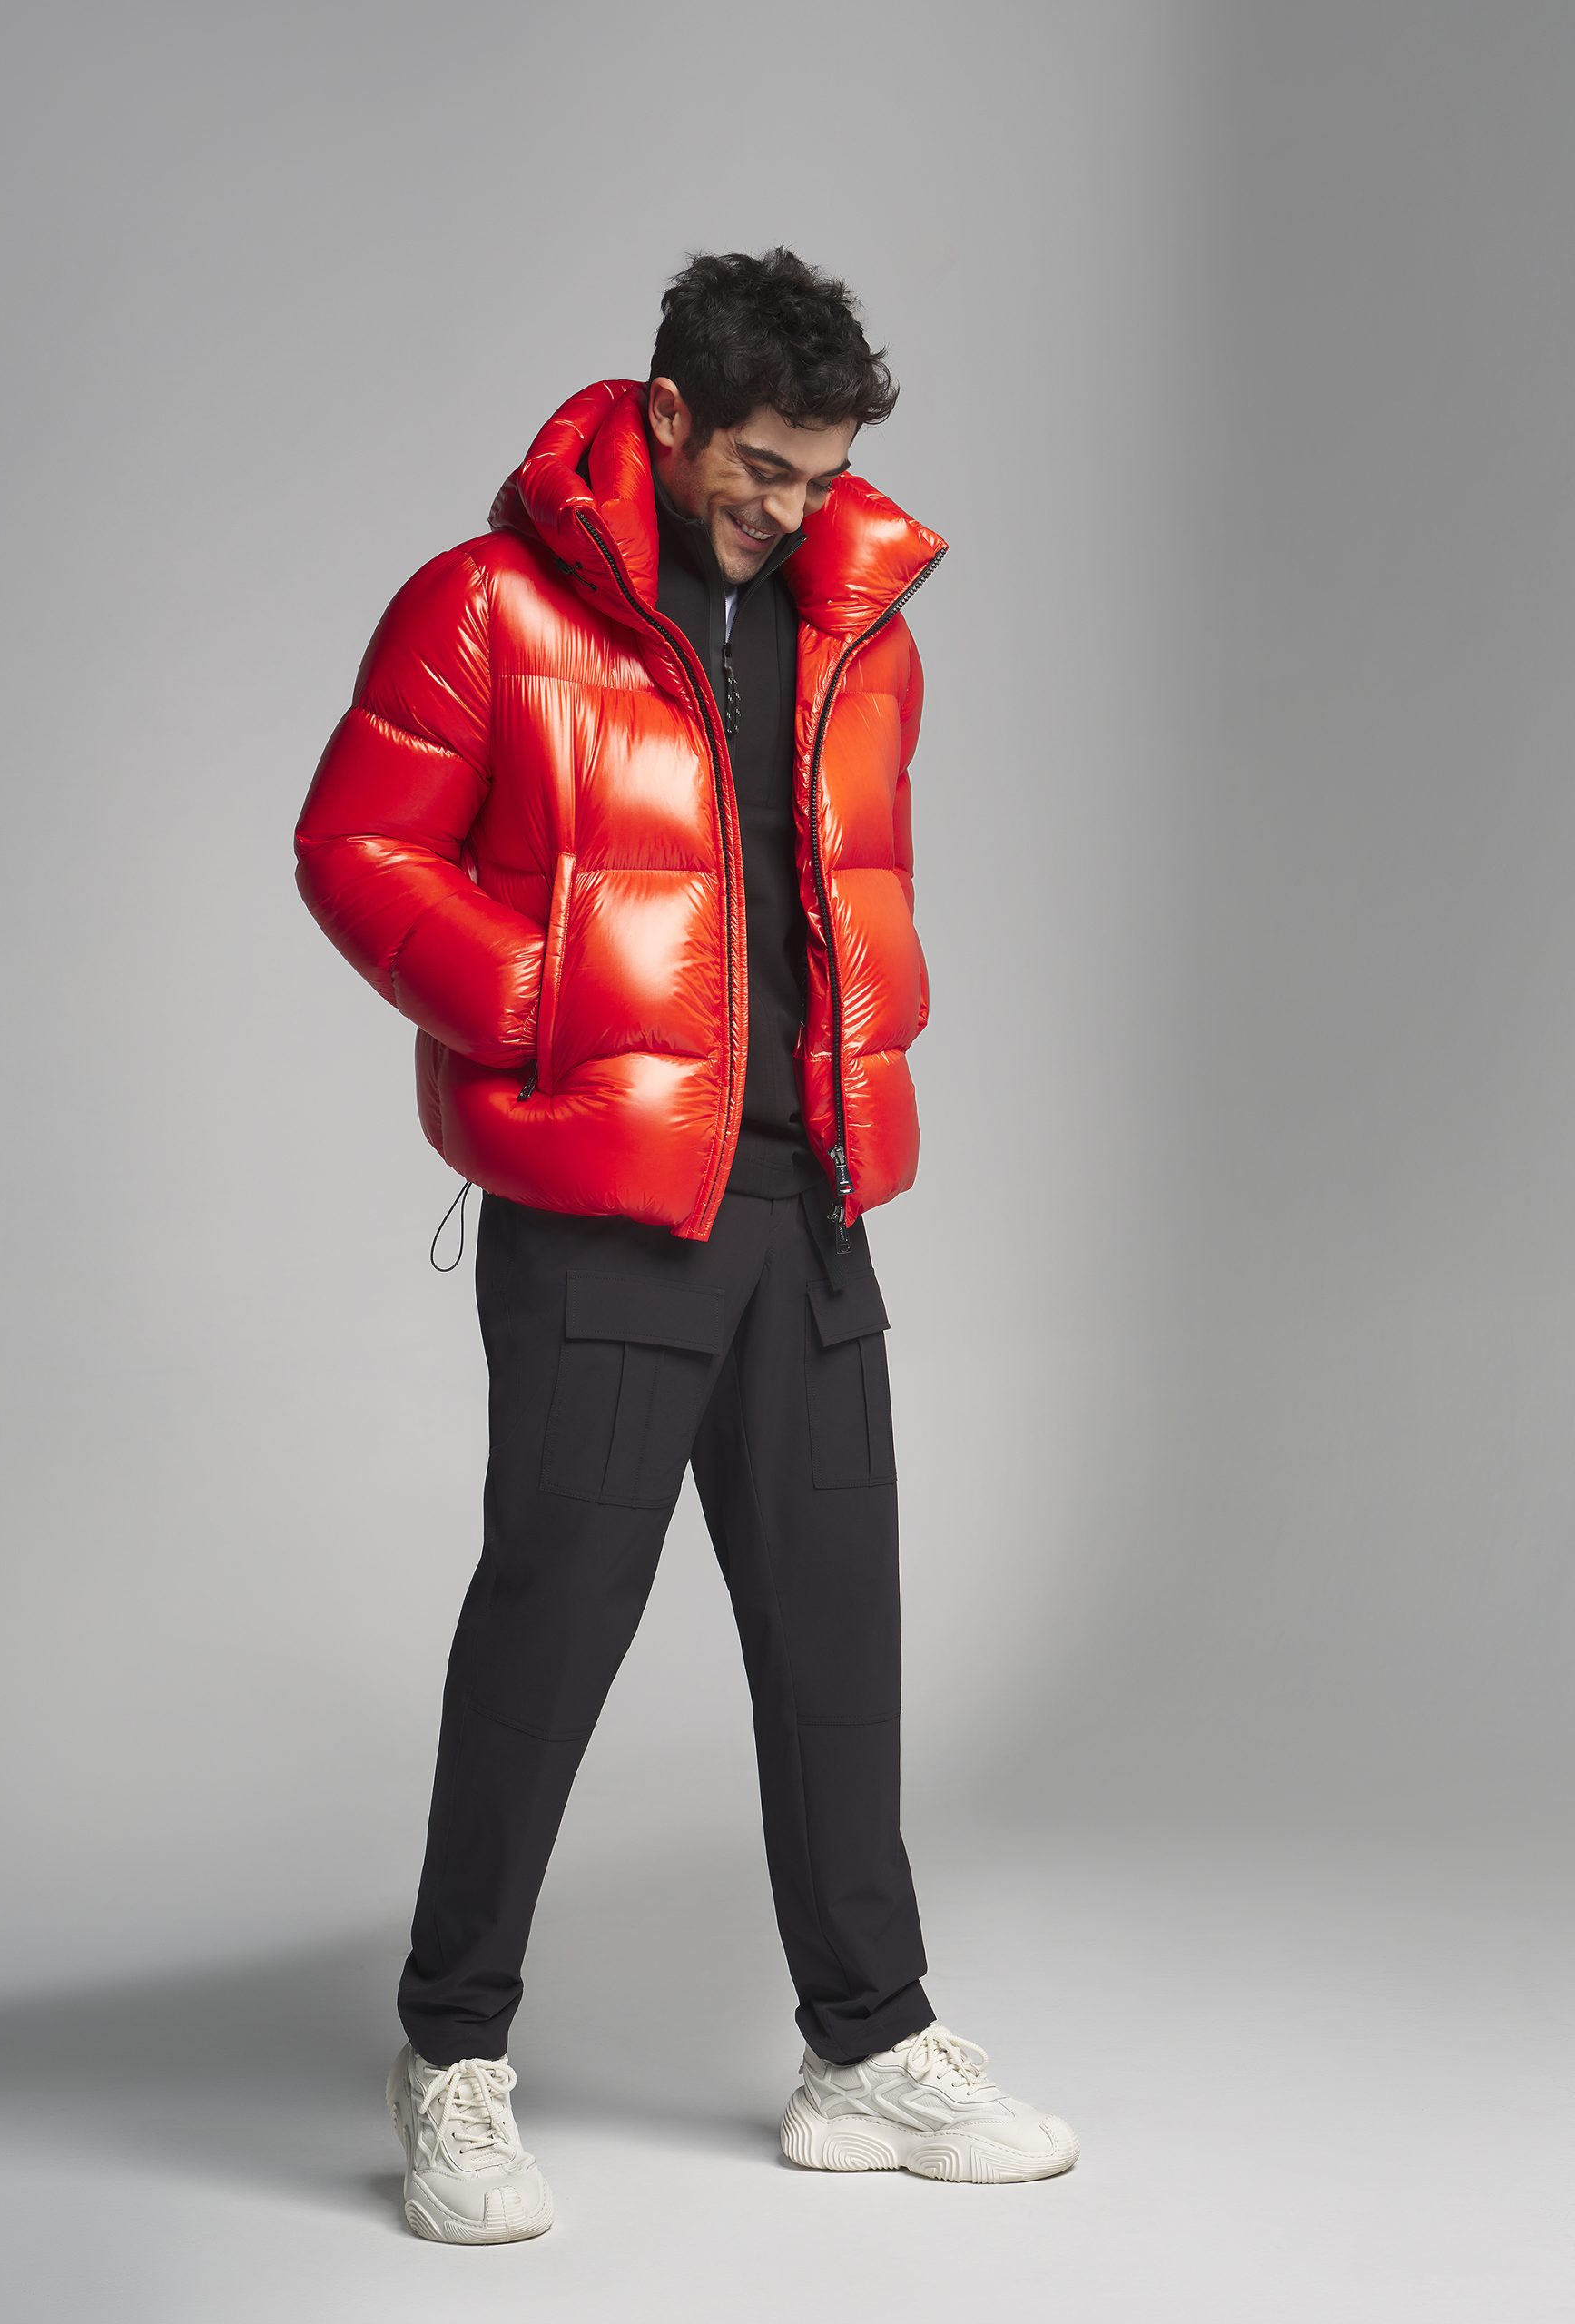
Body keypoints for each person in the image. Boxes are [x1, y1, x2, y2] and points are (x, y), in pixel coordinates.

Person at [293, 246, 1079, 2245]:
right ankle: (451, 2054)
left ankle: (866, 2044)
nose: (789, 511)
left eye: (821, 476)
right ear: (668, 415)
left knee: (838, 1632)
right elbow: (353, 843)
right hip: (604, 1205)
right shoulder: (488, 608)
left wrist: (873, 1044)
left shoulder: (858, 633)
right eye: (760, 469)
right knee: (553, 1628)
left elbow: (841, 889)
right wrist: (547, 997)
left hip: (806, 1196)